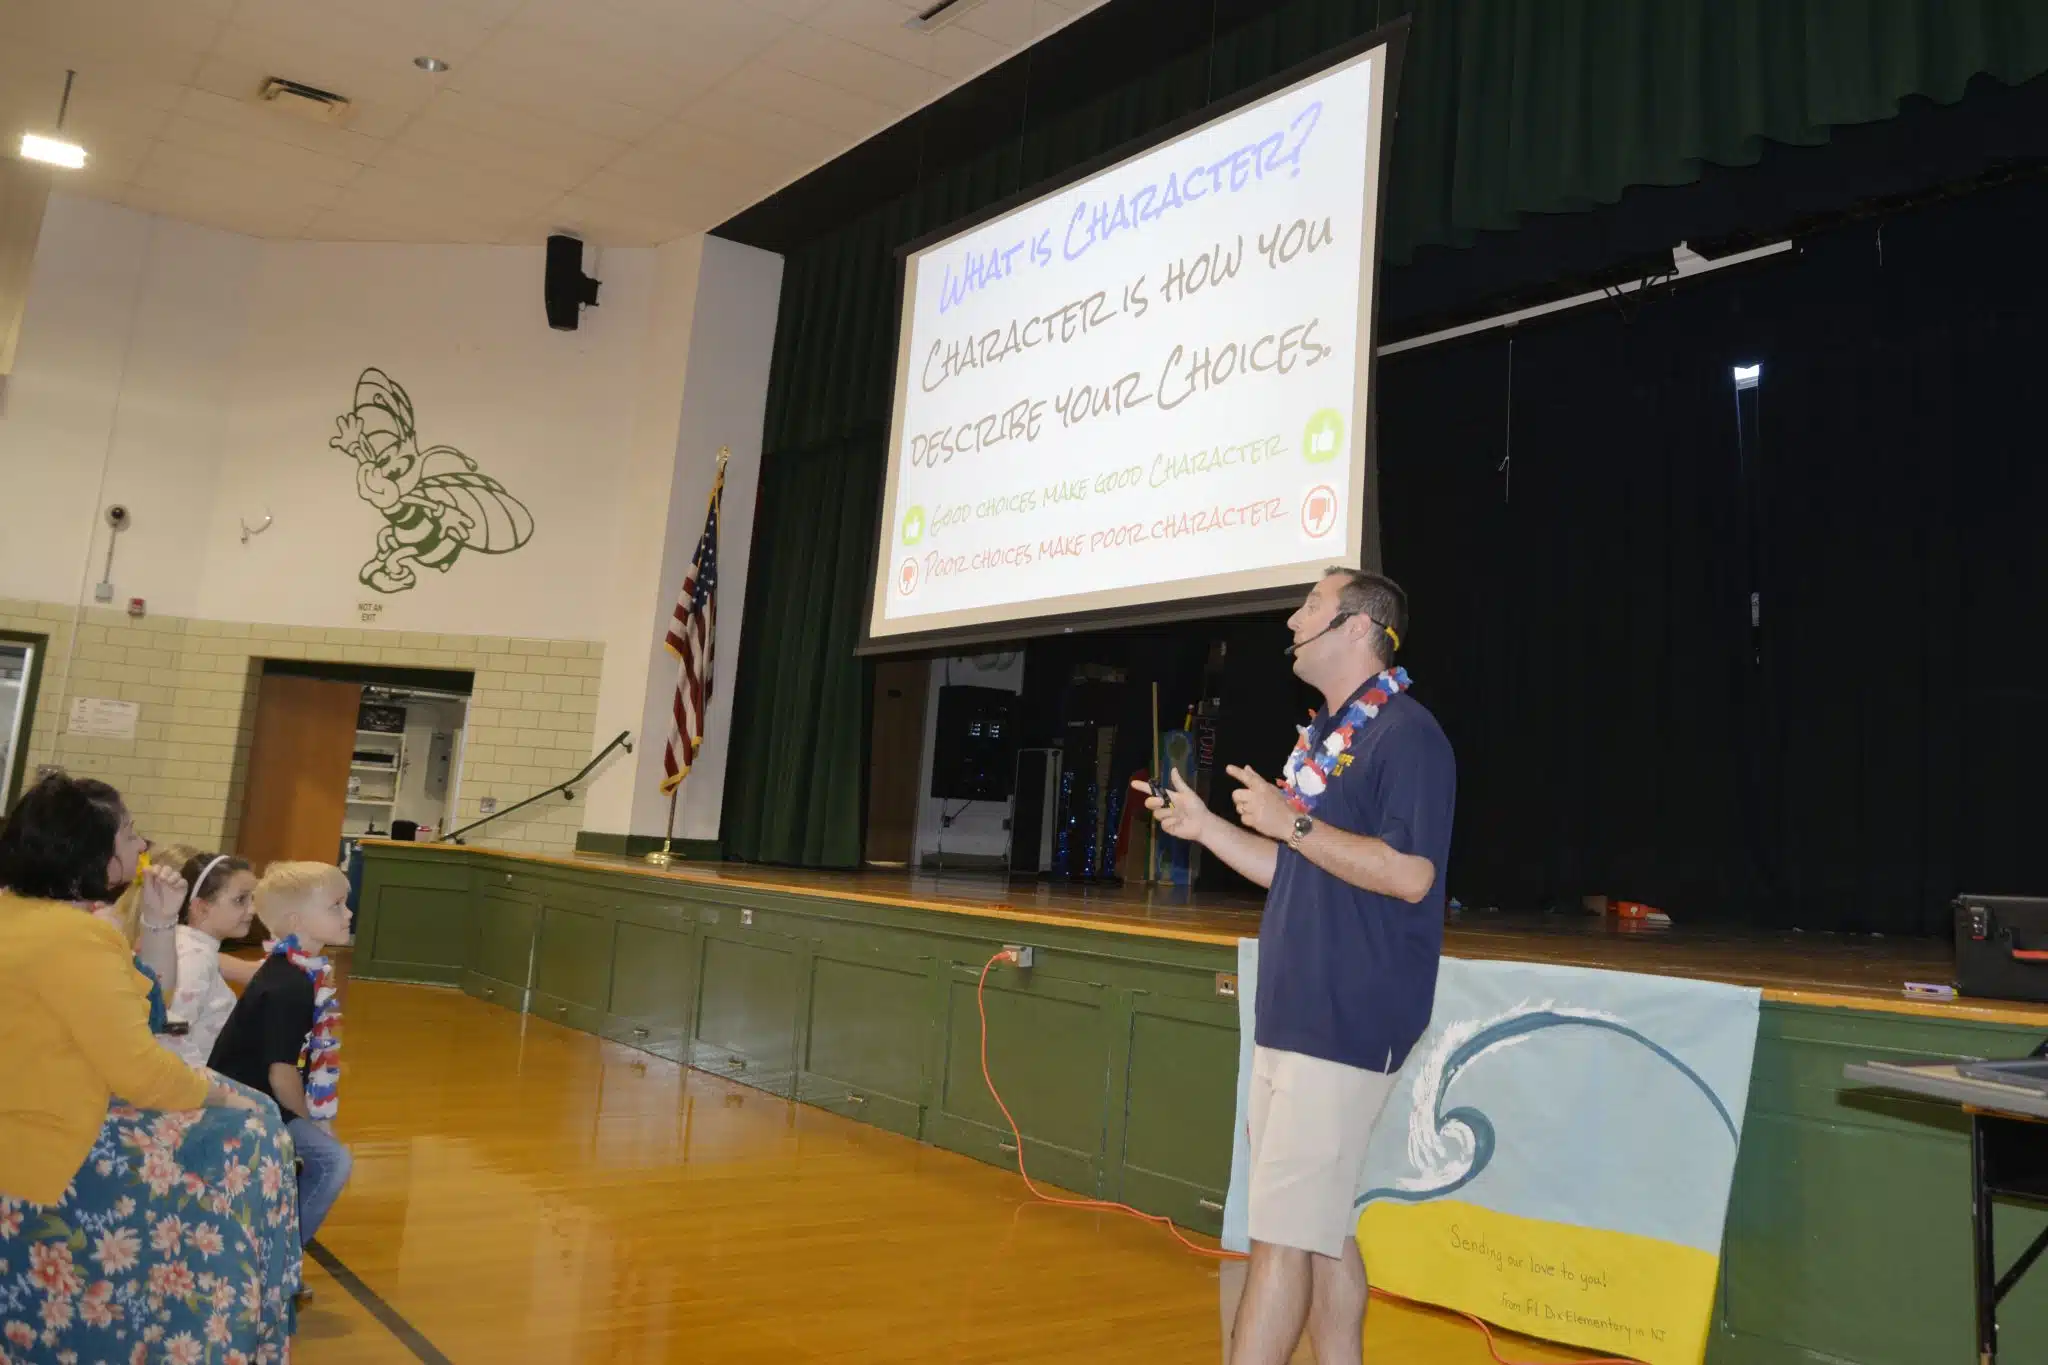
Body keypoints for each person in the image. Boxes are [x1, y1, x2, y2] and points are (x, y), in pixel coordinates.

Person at [1136, 569, 1456, 1365]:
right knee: (1319, 1226)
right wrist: (1206, 827)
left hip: (1346, 1019)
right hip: (1292, 1009)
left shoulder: (1407, 735)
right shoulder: (1324, 739)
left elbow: (1412, 874)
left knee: (1279, 1236)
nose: (1291, 619)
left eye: (1311, 605)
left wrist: (1296, 824)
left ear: (1360, 628)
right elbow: (1293, 870)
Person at [0, 775, 302, 1359]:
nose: (142, 845)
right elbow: (141, 1068)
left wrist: (161, 919)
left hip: (40, 1108)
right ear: (91, 850)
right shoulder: (74, 937)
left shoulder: (29, 913)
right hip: (44, 1138)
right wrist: (225, 1098)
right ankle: (209, 1332)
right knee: (251, 1136)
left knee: (253, 1118)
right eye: (129, 833)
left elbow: (146, 1004)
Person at [209, 861, 355, 1247]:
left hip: (262, 1100)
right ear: (296, 921)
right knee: (333, 1160)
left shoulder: (297, 971)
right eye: (336, 906)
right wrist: (311, 1125)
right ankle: (281, 1258)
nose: (348, 914)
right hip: (245, 1106)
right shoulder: (289, 985)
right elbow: (281, 1074)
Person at [163, 852, 258, 1067]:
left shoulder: (196, 949)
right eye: (240, 900)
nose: (252, 909)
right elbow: (170, 1035)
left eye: (252, 899)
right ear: (201, 907)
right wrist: (206, 1083)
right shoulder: (194, 958)